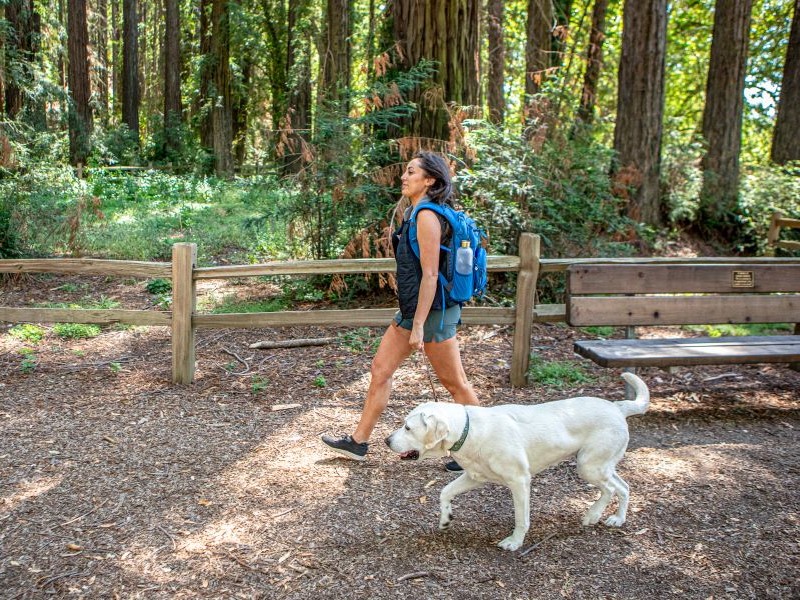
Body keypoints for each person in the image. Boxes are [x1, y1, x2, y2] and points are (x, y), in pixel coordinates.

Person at [322, 151, 480, 472]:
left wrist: (420, 324)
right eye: (405, 172)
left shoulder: (426, 217)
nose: (403, 177)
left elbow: (432, 275)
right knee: (380, 369)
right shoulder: (414, 212)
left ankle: (483, 448)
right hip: (413, 311)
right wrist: (412, 318)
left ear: (430, 180)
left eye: (411, 172)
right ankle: (358, 442)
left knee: (455, 385)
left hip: (433, 312)